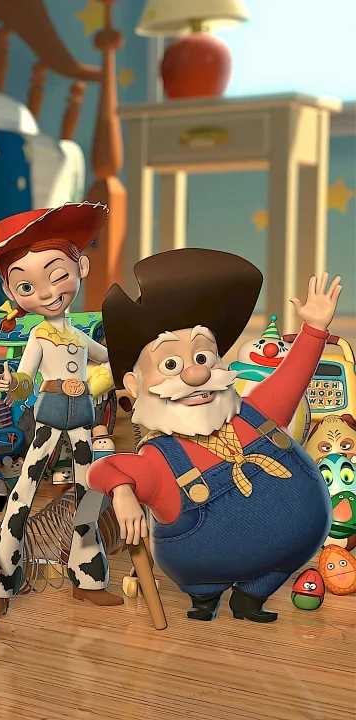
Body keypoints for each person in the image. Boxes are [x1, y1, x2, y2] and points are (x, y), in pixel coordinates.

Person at [89, 250, 341, 622]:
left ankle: (250, 598)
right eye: (171, 364)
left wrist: (315, 329)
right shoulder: (159, 456)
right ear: (135, 384)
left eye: (204, 357)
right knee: (203, 589)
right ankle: (204, 597)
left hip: (286, 557)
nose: (196, 375)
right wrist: (123, 493)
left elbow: (294, 375)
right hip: (199, 566)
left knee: (272, 571)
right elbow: (104, 469)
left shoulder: (255, 411)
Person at [0, 202, 120, 620]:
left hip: (82, 419)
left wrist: (131, 359)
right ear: (11, 292)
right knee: (22, 494)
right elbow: (27, 378)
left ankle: (88, 578)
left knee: (88, 494)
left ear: (81, 268)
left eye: (57, 275)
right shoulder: (39, 337)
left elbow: (108, 357)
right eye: (26, 285)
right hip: (49, 418)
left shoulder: (79, 337)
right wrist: (14, 386)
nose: (45, 293)